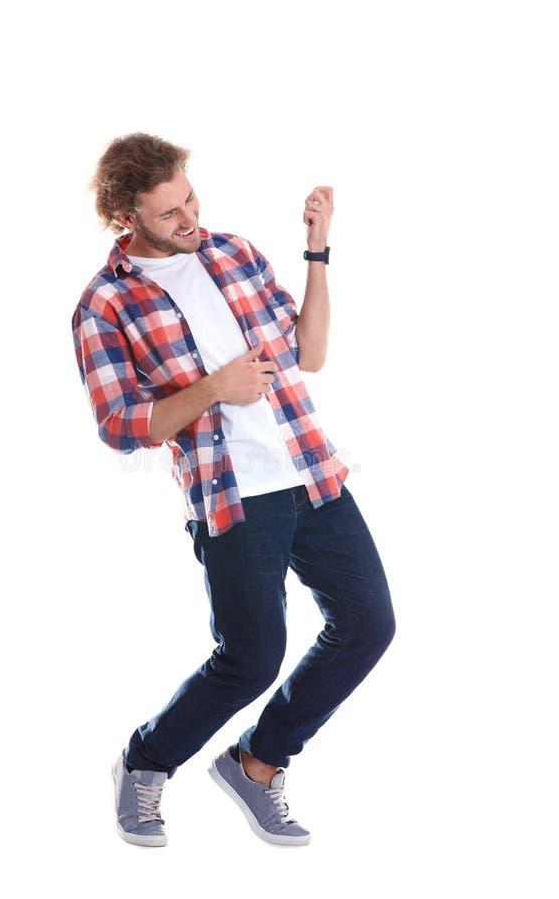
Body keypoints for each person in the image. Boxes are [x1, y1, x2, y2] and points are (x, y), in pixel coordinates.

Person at [72, 132, 396, 847]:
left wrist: (317, 248)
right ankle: (145, 761)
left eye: (189, 197)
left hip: (310, 470)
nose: (190, 218)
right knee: (251, 657)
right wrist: (215, 388)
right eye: (167, 214)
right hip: (232, 495)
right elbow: (121, 425)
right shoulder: (105, 304)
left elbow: (309, 353)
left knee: (369, 624)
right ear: (125, 217)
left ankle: (258, 763)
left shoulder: (233, 252)